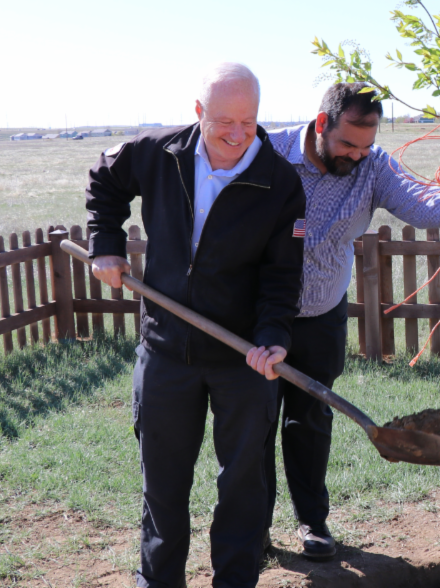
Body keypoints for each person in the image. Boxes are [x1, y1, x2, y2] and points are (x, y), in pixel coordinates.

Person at [86, 63, 306, 588]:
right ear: (198, 112)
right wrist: (107, 245)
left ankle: (234, 581)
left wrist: (273, 338)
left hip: (242, 360)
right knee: (162, 482)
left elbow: (282, 275)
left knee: (242, 486)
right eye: (223, 121)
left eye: (248, 123)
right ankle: (159, 581)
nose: (236, 134)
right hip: (165, 350)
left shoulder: (279, 183)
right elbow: (106, 181)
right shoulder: (159, 154)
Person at [264, 82, 440, 560]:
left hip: (322, 315)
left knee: (309, 420)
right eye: (348, 143)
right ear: (321, 123)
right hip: (262, 316)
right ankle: (252, 527)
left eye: (366, 144)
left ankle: (312, 523)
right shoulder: (270, 152)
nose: (357, 154)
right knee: (253, 422)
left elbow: (414, 199)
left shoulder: (372, 165)